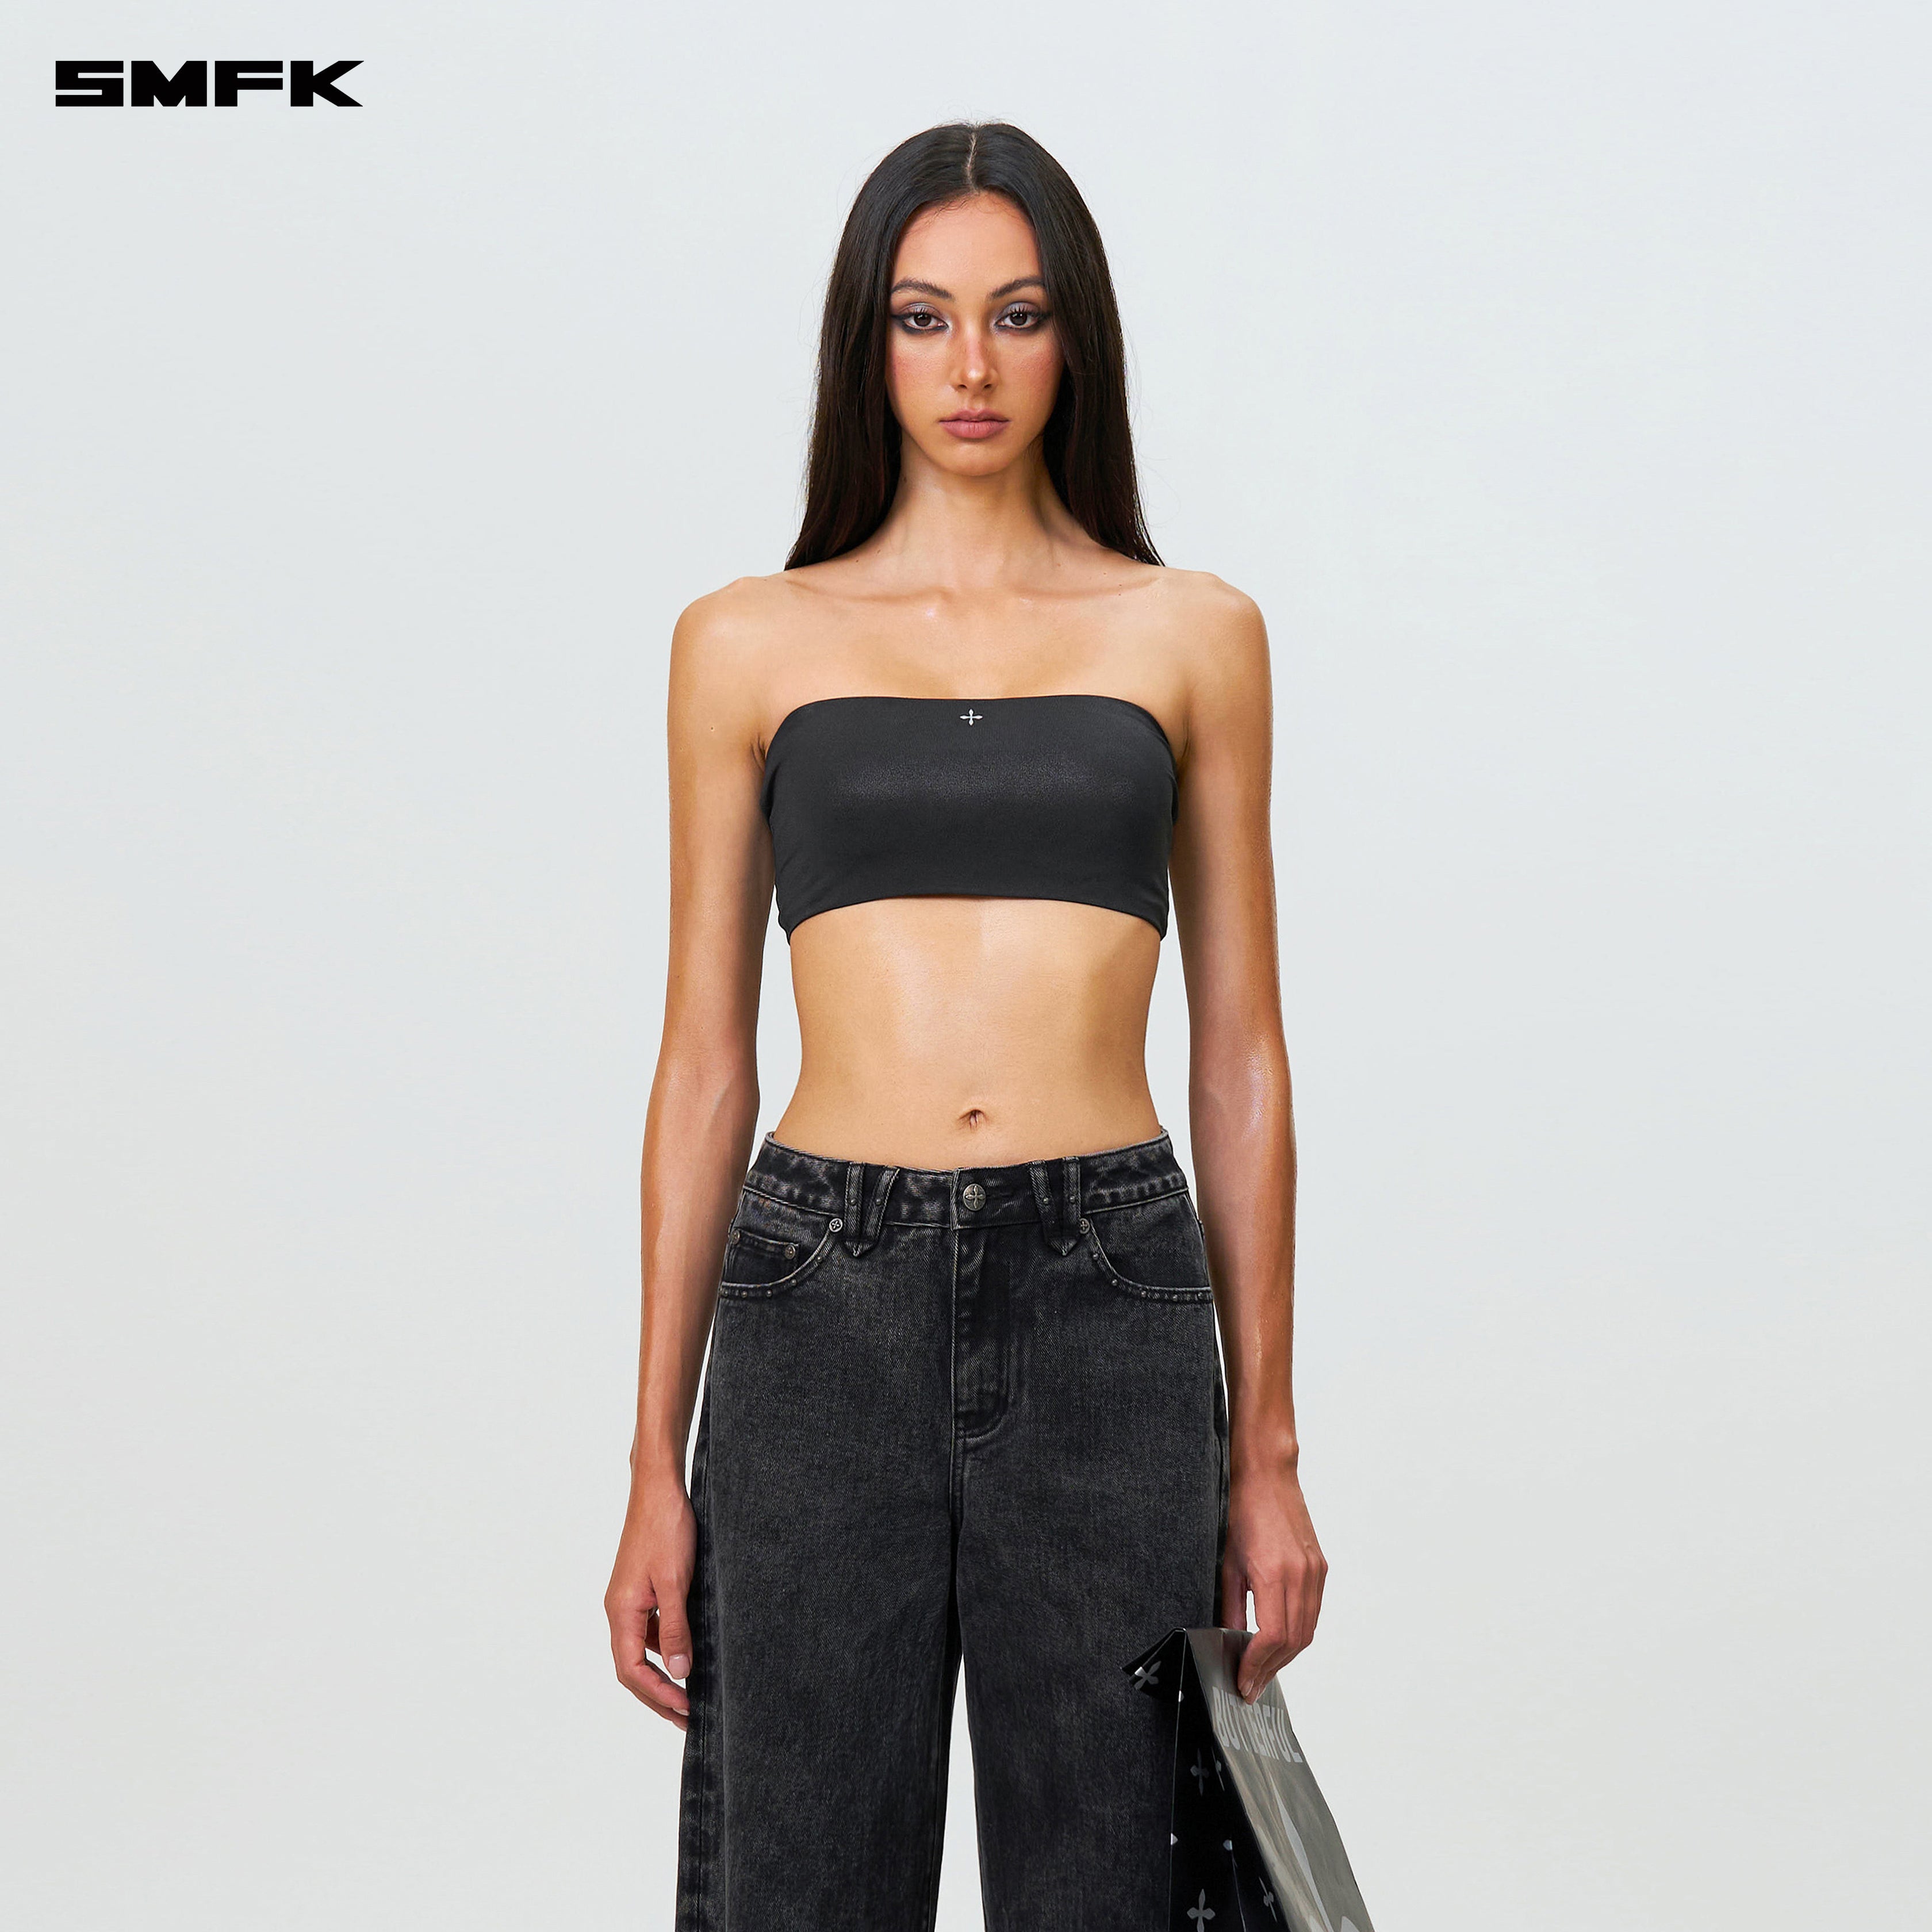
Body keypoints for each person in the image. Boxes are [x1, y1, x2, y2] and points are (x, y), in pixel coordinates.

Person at [605, 120, 1325, 1931]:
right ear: (870, 346)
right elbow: (704, 1063)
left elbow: (1240, 1052)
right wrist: (650, 1467)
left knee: (1115, 1883)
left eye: (1018, 314)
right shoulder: (746, 641)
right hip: (817, 1302)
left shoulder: (1193, 633)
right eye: (924, 319)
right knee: (801, 1883)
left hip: (1110, 1293)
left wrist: (1267, 1452)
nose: (974, 368)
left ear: (1077, 337)